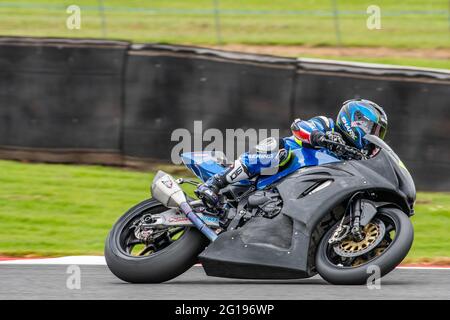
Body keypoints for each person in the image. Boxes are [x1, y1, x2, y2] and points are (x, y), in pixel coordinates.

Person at [195, 99, 388, 207]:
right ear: (356, 121)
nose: (374, 136)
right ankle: (215, 183)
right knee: (279, 151)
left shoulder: (354, 157)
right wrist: (318, 137)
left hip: (297, 194)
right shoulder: (328, 125)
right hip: (277, 172)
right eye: (373, 129)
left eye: (379, 133)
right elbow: (298, 126)